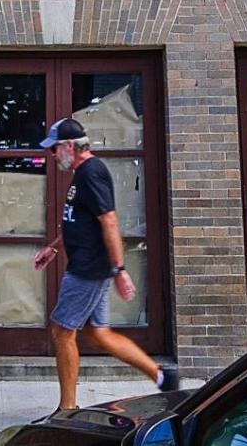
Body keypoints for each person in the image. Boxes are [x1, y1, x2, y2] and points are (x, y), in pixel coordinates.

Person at [33, 117, 179, 412]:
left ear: (69, 146)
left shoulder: (91, 173)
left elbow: (108, 220)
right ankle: (162, 376)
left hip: (88, 268)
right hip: (89, 264)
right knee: (99, 333)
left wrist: (120, 270)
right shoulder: (82, 173)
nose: (51, 155)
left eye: (54, 149)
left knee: (62, 332)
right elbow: (79, 221)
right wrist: (54, 248)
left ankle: (67, 409)